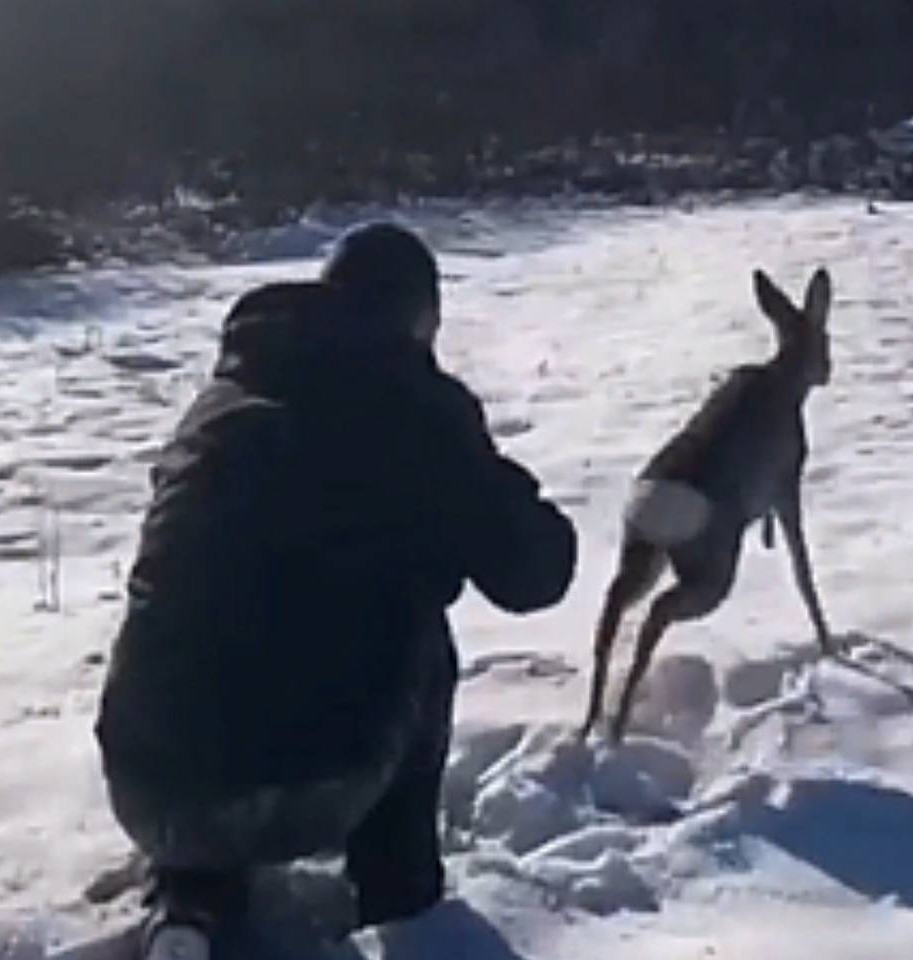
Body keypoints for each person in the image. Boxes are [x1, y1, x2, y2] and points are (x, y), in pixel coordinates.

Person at [94, 221, 577, 959]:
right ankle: (402, 898)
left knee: (198, 613)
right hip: (315, 781)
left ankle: (193, 901)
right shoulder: (416, 407)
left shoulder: (224, 398)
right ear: (421, 318)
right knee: (419, 628)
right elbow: (531, 574)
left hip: (147, 782)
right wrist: (491, 484)